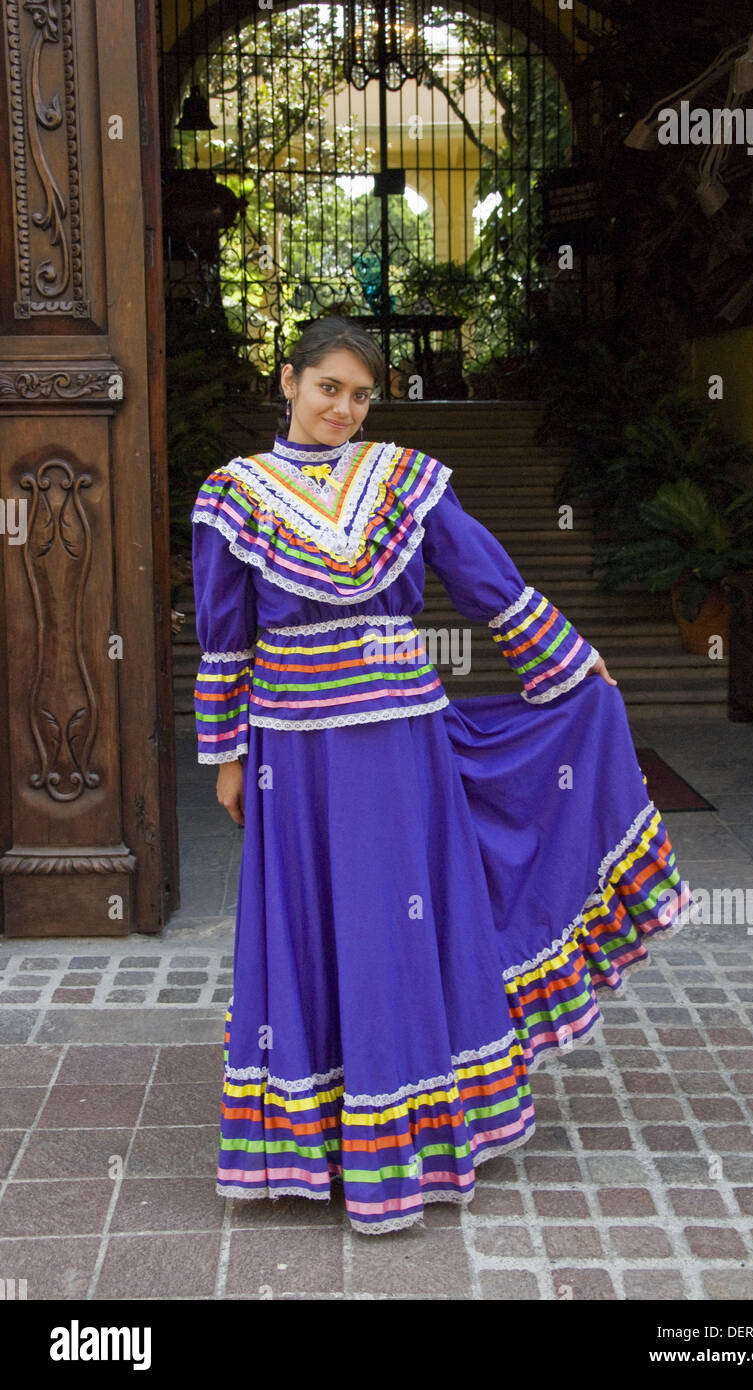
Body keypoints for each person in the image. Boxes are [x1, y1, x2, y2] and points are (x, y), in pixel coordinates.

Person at [190, 315, 691, 1236]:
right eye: (328, 387)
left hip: (401, 747)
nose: (344, 407)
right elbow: (225, 636)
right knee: (312, 918)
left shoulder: (405, 482)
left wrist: (574, 666)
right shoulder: (233, 497)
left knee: (391, 922)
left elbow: (486, 583)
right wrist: (225, 756)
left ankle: (408, 1128)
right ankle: (329, 1131)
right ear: (289, 381)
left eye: (360, 394)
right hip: (293, 754)